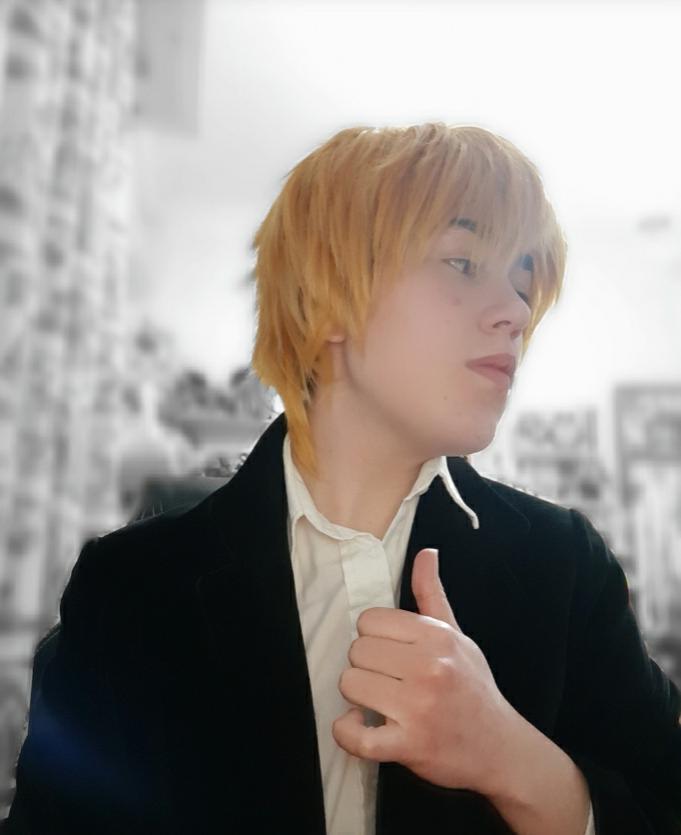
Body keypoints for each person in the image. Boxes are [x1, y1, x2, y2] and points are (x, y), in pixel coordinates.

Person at [3, 122, 680, 834]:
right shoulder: (132, 590)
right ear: (327, 300)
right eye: (462, 262)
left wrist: (515, 763)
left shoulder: (565, 566)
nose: (515, 311)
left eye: (521, 278)